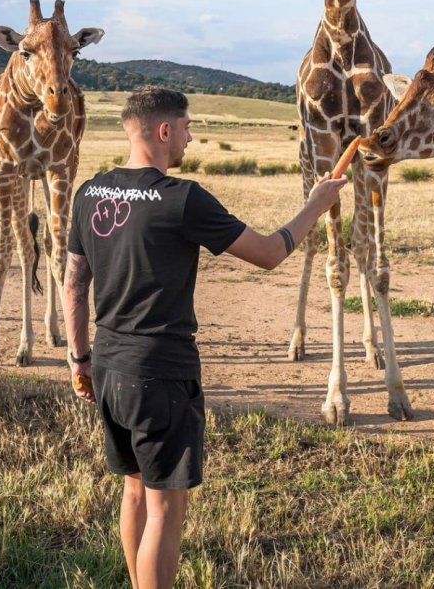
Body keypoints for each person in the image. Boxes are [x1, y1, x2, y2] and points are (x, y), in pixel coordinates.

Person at [64, 86, 347, 589]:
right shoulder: (183, 198)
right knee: (166, 509)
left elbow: (74, 283)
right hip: (161, 374)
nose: (191, 139)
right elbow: (266, 253)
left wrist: (79, 359)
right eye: (187, 128)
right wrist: (315, 204)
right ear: (165, 130)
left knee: (133, 492)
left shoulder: (89, 193)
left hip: (108, 366)